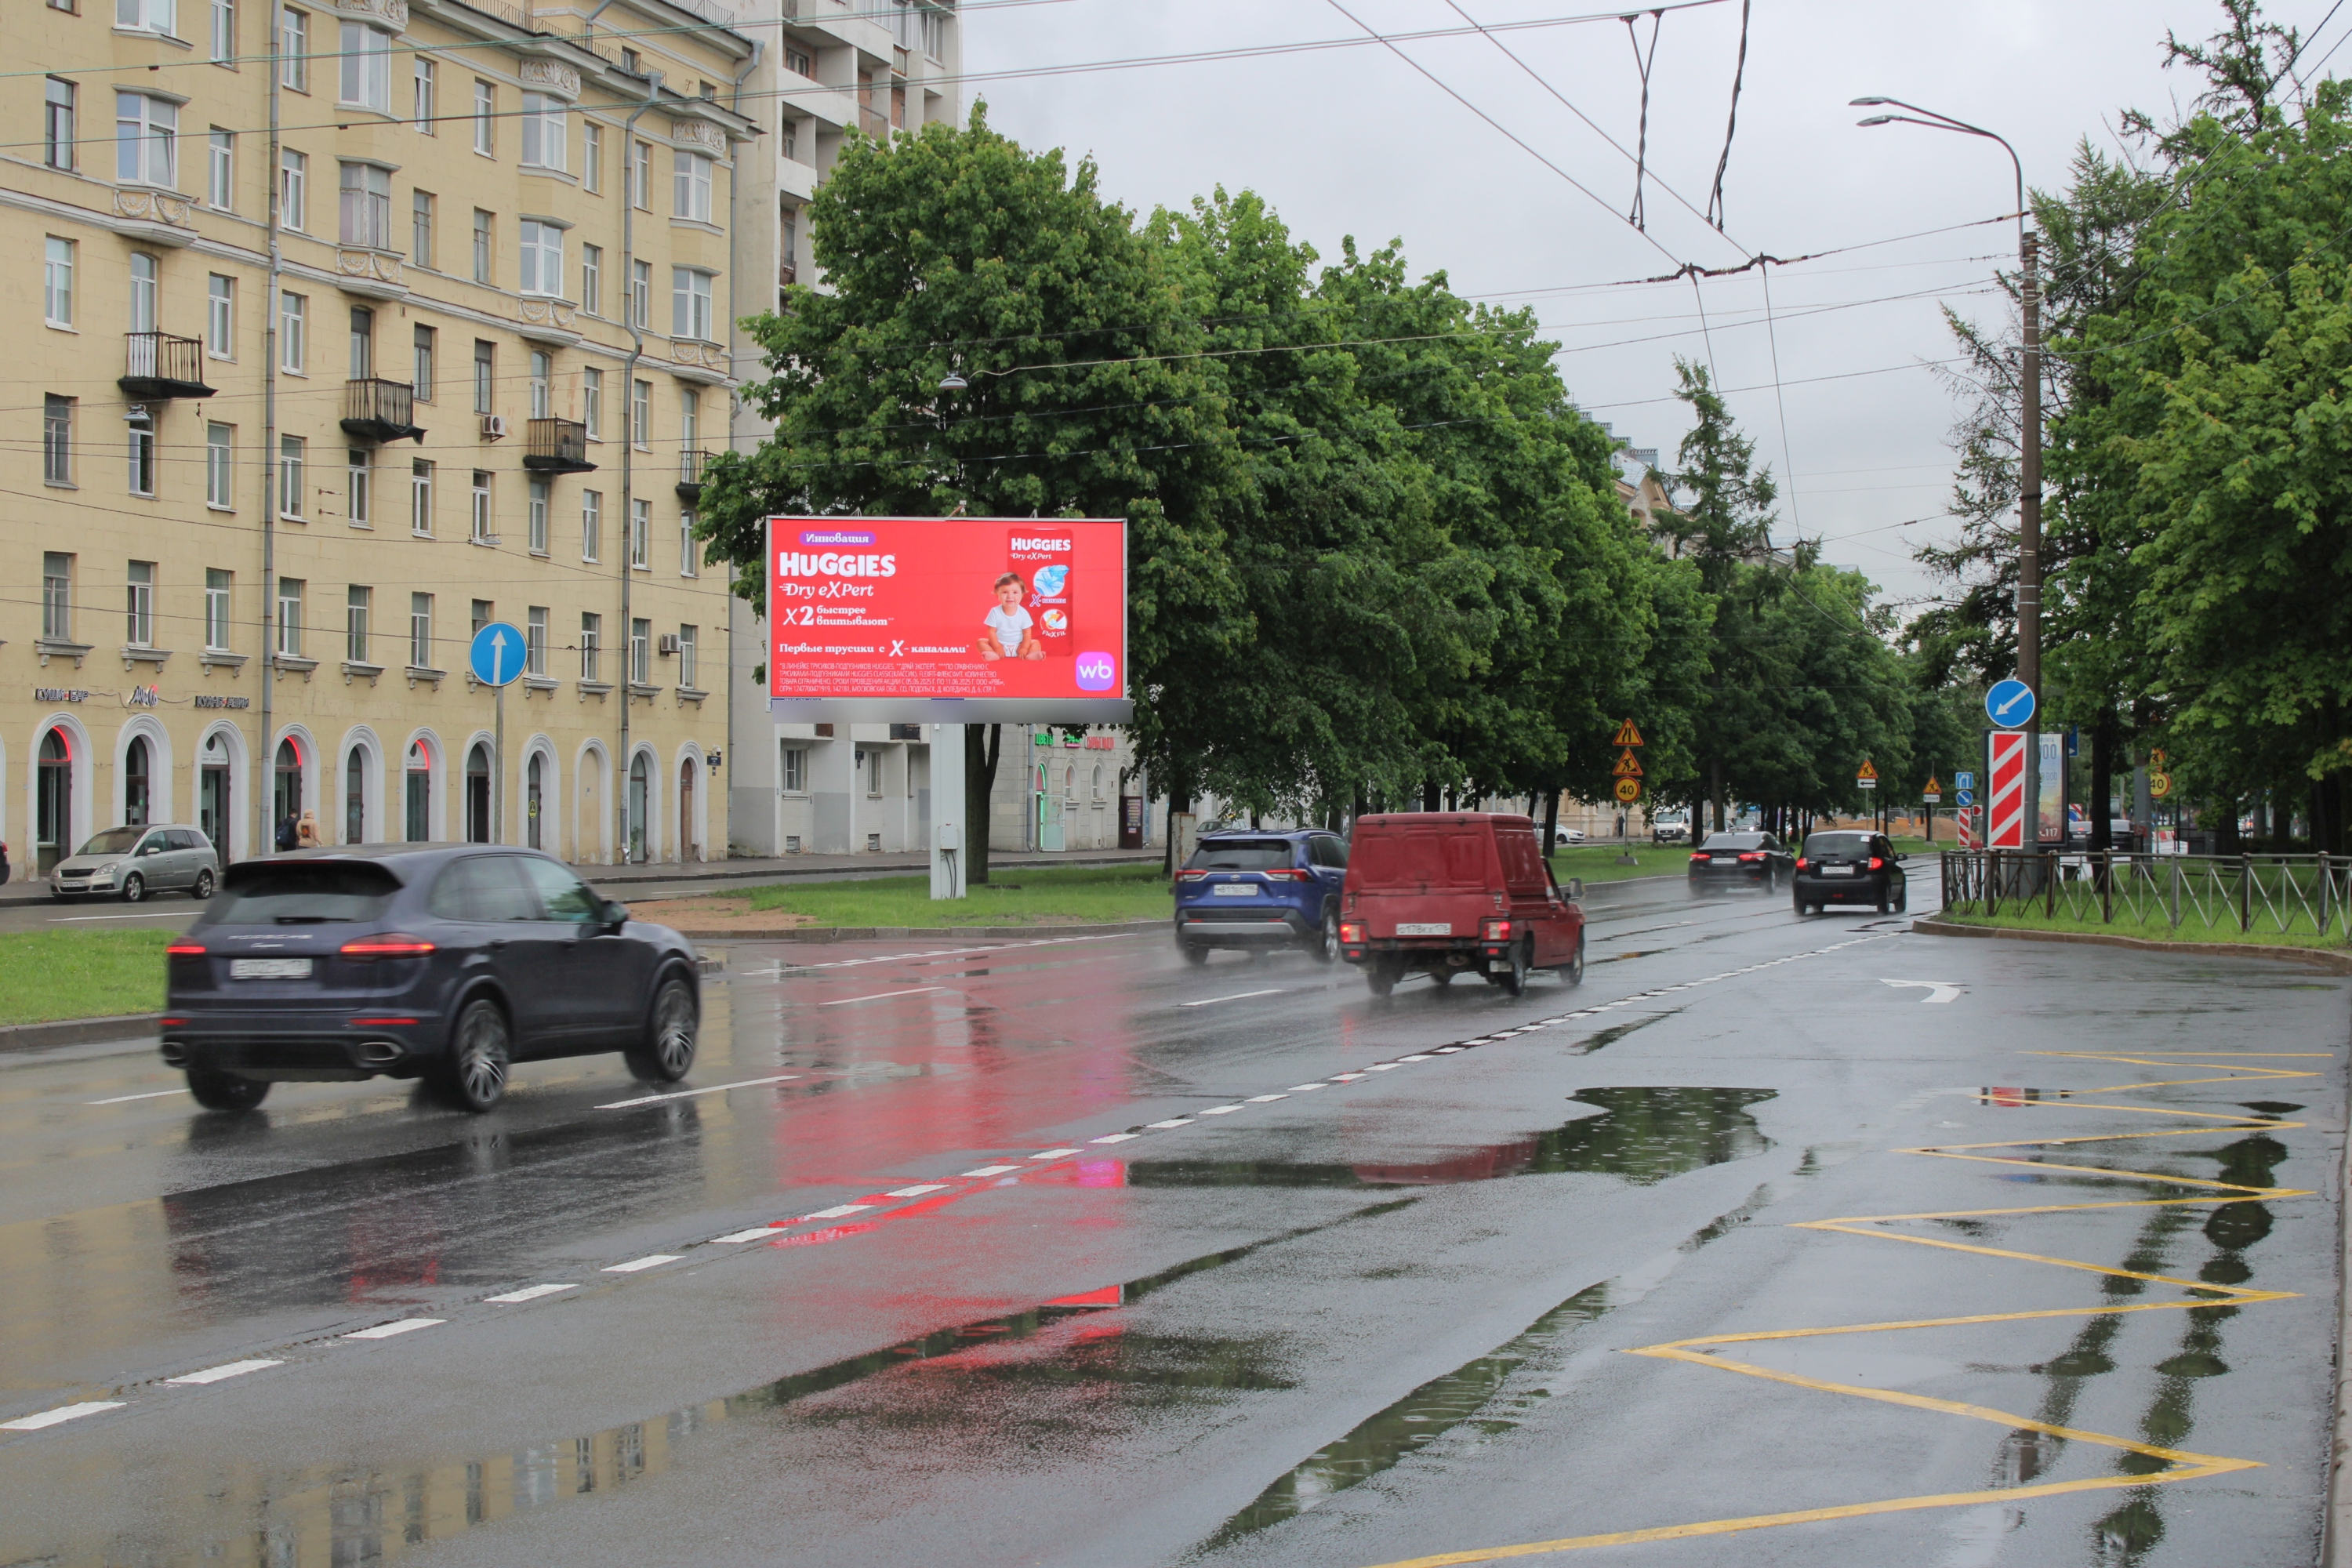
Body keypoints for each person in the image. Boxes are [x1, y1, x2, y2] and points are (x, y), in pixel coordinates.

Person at [977, 572, 1044, 661]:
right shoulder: (995, 612)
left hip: (1019, 646)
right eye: (1005, 592)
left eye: (1015, 592)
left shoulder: (1023, 613)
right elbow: (991, 632)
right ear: (997, 594)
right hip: (999, 645)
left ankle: (1031, 655)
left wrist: (1024, 648)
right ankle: (992, 654)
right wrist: (997, 647)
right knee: (980, 642)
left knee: (1036, 643)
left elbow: (1027, 633)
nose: (1010, 596)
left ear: (1022, 594)